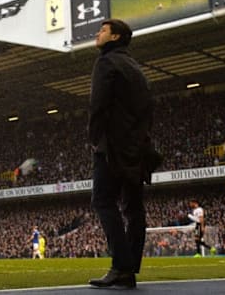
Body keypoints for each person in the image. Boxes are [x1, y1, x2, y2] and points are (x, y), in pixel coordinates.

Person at [87, 19, 154, 289]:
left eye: (102, 30)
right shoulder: (136, 67)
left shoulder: (106, 63)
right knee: (134, 207)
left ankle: (121, 266)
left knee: (103, 201)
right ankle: (129, 269)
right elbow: (148, 107)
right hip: (138, 147)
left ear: (115, 36)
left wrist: (95, 140)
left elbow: (98, 104)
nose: (97, 33)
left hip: (113, 146)